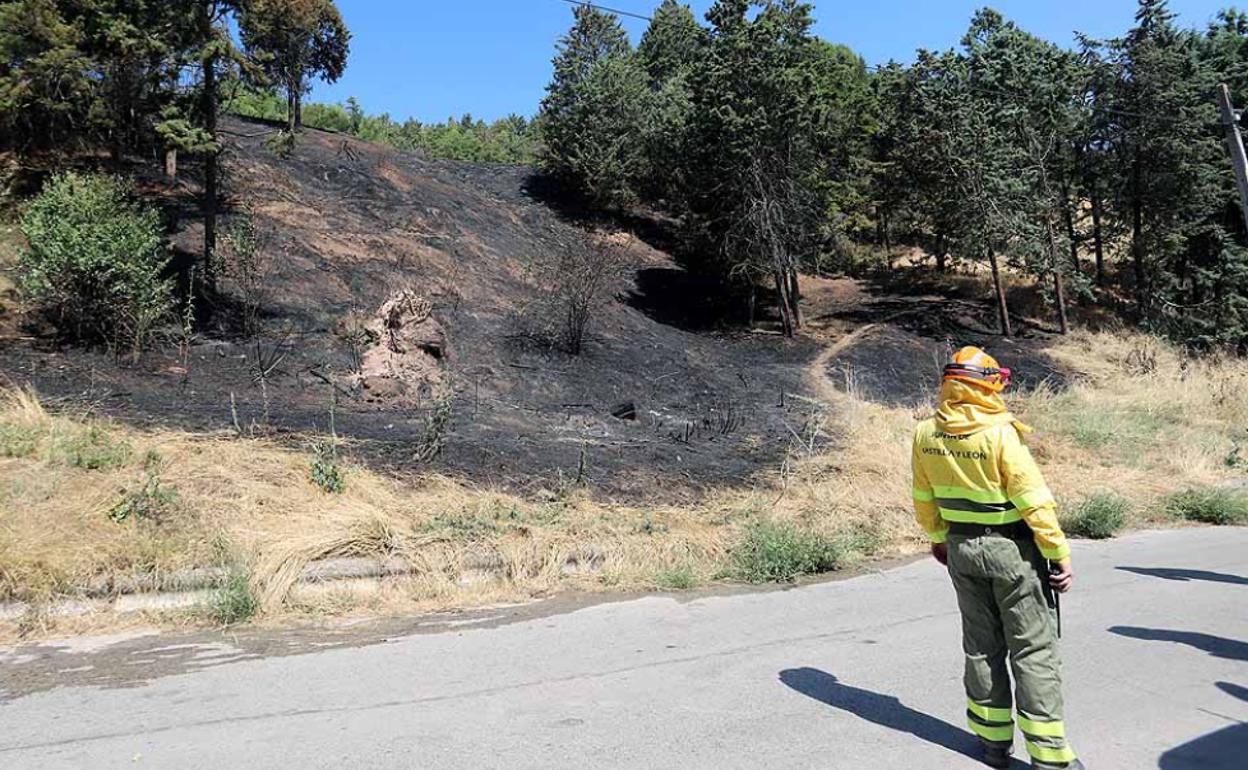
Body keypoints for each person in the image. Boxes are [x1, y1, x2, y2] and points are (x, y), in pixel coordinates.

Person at [911, 346, 1082, 770]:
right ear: (987, 385)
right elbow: (1034, 501)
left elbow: (923, 496)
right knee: (1033, 650)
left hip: (961, 550)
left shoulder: (925, 433)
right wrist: (1058, 553)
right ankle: (1050, 758)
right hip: (1012, 552)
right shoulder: (1000, 433)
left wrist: (938, 538)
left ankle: (992, 745)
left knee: (981, 648)